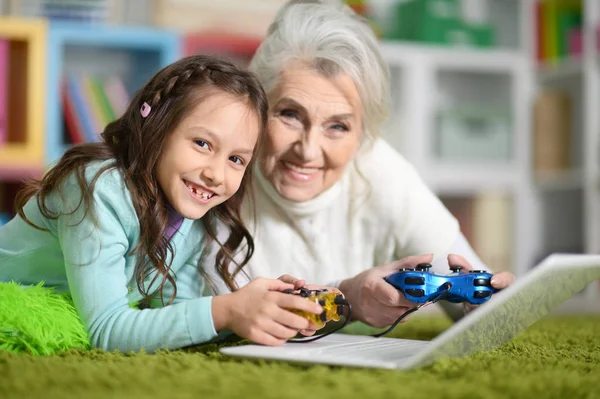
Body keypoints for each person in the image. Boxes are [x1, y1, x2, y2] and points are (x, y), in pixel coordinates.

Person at [202, 0, 516, 329]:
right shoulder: (219, 174)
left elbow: (481, 304)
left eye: (338, 126)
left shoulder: (380, 169)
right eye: (290, 115)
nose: (308, 151)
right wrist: (348, 297)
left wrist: (479, 305)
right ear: (258, 108)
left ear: (363, 135)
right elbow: (208, 313)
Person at [0, 54, 329, 353]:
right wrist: (225, 310)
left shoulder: (195, 214)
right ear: (157, 127)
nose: (216, 174)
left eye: (236, 159)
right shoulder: (99, 188)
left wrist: (261, 312)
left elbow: (171, 315)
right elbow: (107, 330)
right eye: (202, 143)